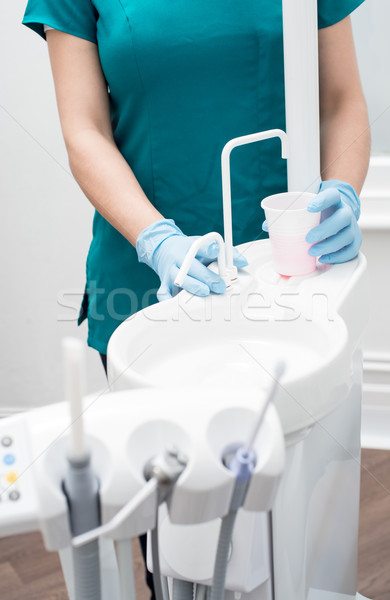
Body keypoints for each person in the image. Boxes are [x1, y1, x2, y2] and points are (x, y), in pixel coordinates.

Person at [22, 0, 370, 597]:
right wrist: (157, 240)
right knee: (182, 555)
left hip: (286, 287)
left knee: (293, 538)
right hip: (147, 295)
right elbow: (83, 132)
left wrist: (342, 185)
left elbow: (342, 99)